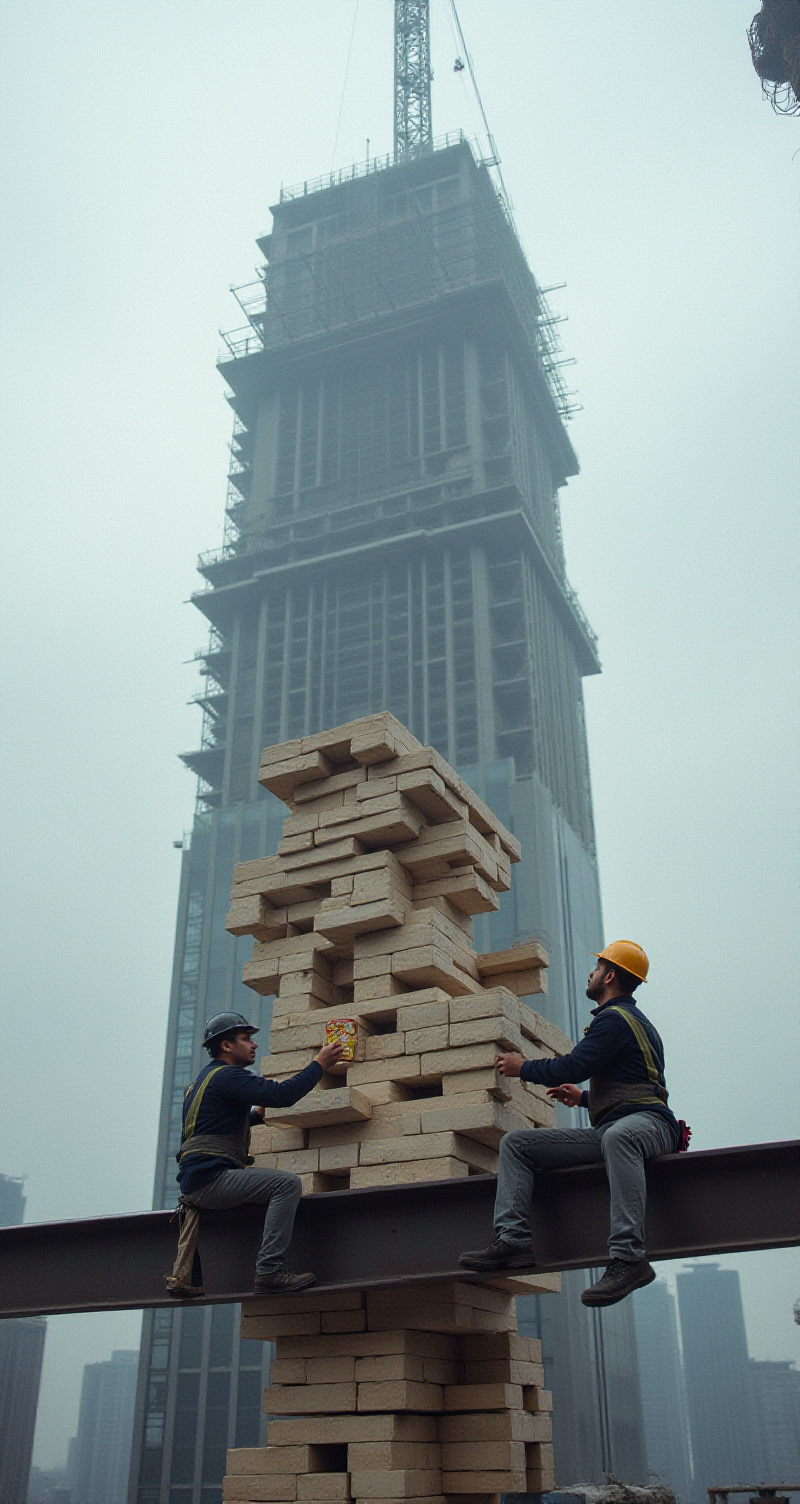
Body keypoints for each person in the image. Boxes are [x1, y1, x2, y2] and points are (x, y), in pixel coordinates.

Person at [459, 941, 681, 1306]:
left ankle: (629, 1258)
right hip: (620, 1128)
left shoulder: (614, 1020)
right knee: (517, 1144)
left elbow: (573, 1067)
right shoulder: (629, 1022)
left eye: (596, 968)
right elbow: (635, 1082)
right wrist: (584, 1099)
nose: (590, 973)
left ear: (609, 976)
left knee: (620, 1137)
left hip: (650, 1127)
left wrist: (522, 1068)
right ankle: (513, 1240)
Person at [175, 1011, 344, 1296]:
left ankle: (269, 1266)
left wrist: (254, 1116)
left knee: (271, 1185)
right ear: (226, 1046)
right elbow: (282, 1095)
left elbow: (210, 1126)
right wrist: (319, 1064)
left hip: (197, 1180)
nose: (254, 1045)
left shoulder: (201, 1083)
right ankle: (269, 1270)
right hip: (209, 1181)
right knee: (286, 1184)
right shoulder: (228, 1075)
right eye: (246, 1039)